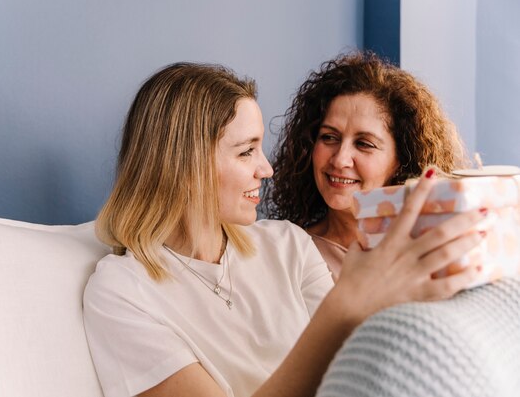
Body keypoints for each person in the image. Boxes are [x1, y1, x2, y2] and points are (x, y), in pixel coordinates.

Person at [83, 62, 486, 397]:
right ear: (185, 166)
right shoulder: (122, 292)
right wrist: (345, 303)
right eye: (246, 152)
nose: (267, 169)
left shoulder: (286, 244)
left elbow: (362, 375)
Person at [266, 51, 470, 279]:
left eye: (364, 144)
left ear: (402, 160)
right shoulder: (285, 253)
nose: (340, 159)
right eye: (329, 137)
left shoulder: (434, 249)